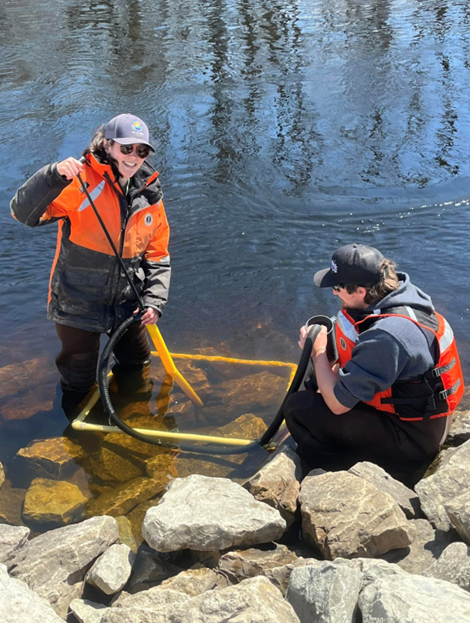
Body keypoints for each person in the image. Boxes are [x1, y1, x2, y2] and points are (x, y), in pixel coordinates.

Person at [11, 113, 170, 409]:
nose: (134, 157)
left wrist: (155, 300)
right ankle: (76, 437)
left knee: (138, 364)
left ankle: (135, 417)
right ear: (108, 145)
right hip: (76, 304)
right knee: (79, 381)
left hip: (127, 303)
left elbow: (158, 255)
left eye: (142, 150)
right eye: (126, 148)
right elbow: (22, 214)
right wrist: (52, 176)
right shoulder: (79, 180)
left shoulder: (150, 193)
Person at [285, 243, 464, 485]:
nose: (334, 293)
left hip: (413, 441)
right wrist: (327, 361)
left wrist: (316, 350)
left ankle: (328, 474)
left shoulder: (388, 335)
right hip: (424, 421)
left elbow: (337, 405)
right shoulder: (399, 297)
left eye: (337, 287)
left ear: (360, 291)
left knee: (298, 408)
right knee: (316, 382)